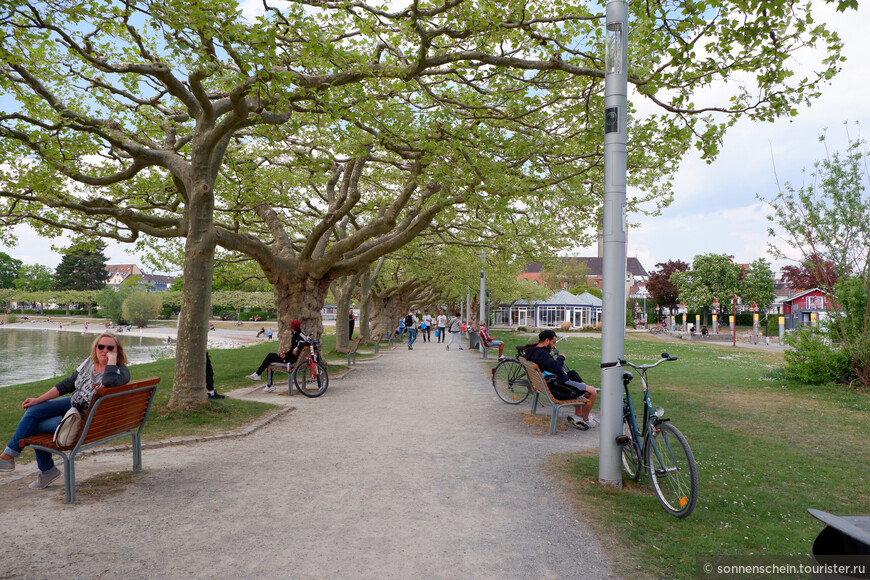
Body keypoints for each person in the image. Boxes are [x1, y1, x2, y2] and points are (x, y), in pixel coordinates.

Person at [0, 333, 131, 489]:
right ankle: (9, 456)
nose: (104, 351)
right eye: (101, 347)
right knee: (34, 410)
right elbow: (68, 384)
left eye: (110, 348)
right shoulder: (89, 362)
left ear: (117, 351)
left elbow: (108, 381)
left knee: (32, 428)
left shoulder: (120, 372)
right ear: (95, 348)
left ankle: (43, 469)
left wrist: (111, 362)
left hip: (81, 419)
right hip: (72, 404)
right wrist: (39, 399)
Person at [523, 330, 598, 431]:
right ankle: (585, 419)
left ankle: (578, 415)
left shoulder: (534, 351)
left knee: (573, 374)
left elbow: (552, 367)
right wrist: (561, 357)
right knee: (592, 392)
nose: (554, 346)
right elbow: (556, 366)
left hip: (552, 382)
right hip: (558, 386)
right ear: (546, 341)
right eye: (553, 342)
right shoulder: (540, 354)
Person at [246, 319, 308, 392]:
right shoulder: (296, 335)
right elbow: (292, 351)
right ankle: (258, 374)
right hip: (290, 358)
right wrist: (285, 354)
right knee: (271, 355)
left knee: (269, 364)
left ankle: (268, 384)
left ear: (291, 327)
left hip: (291, 362)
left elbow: (308, 341)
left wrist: (297, 347)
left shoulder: (299, 336)